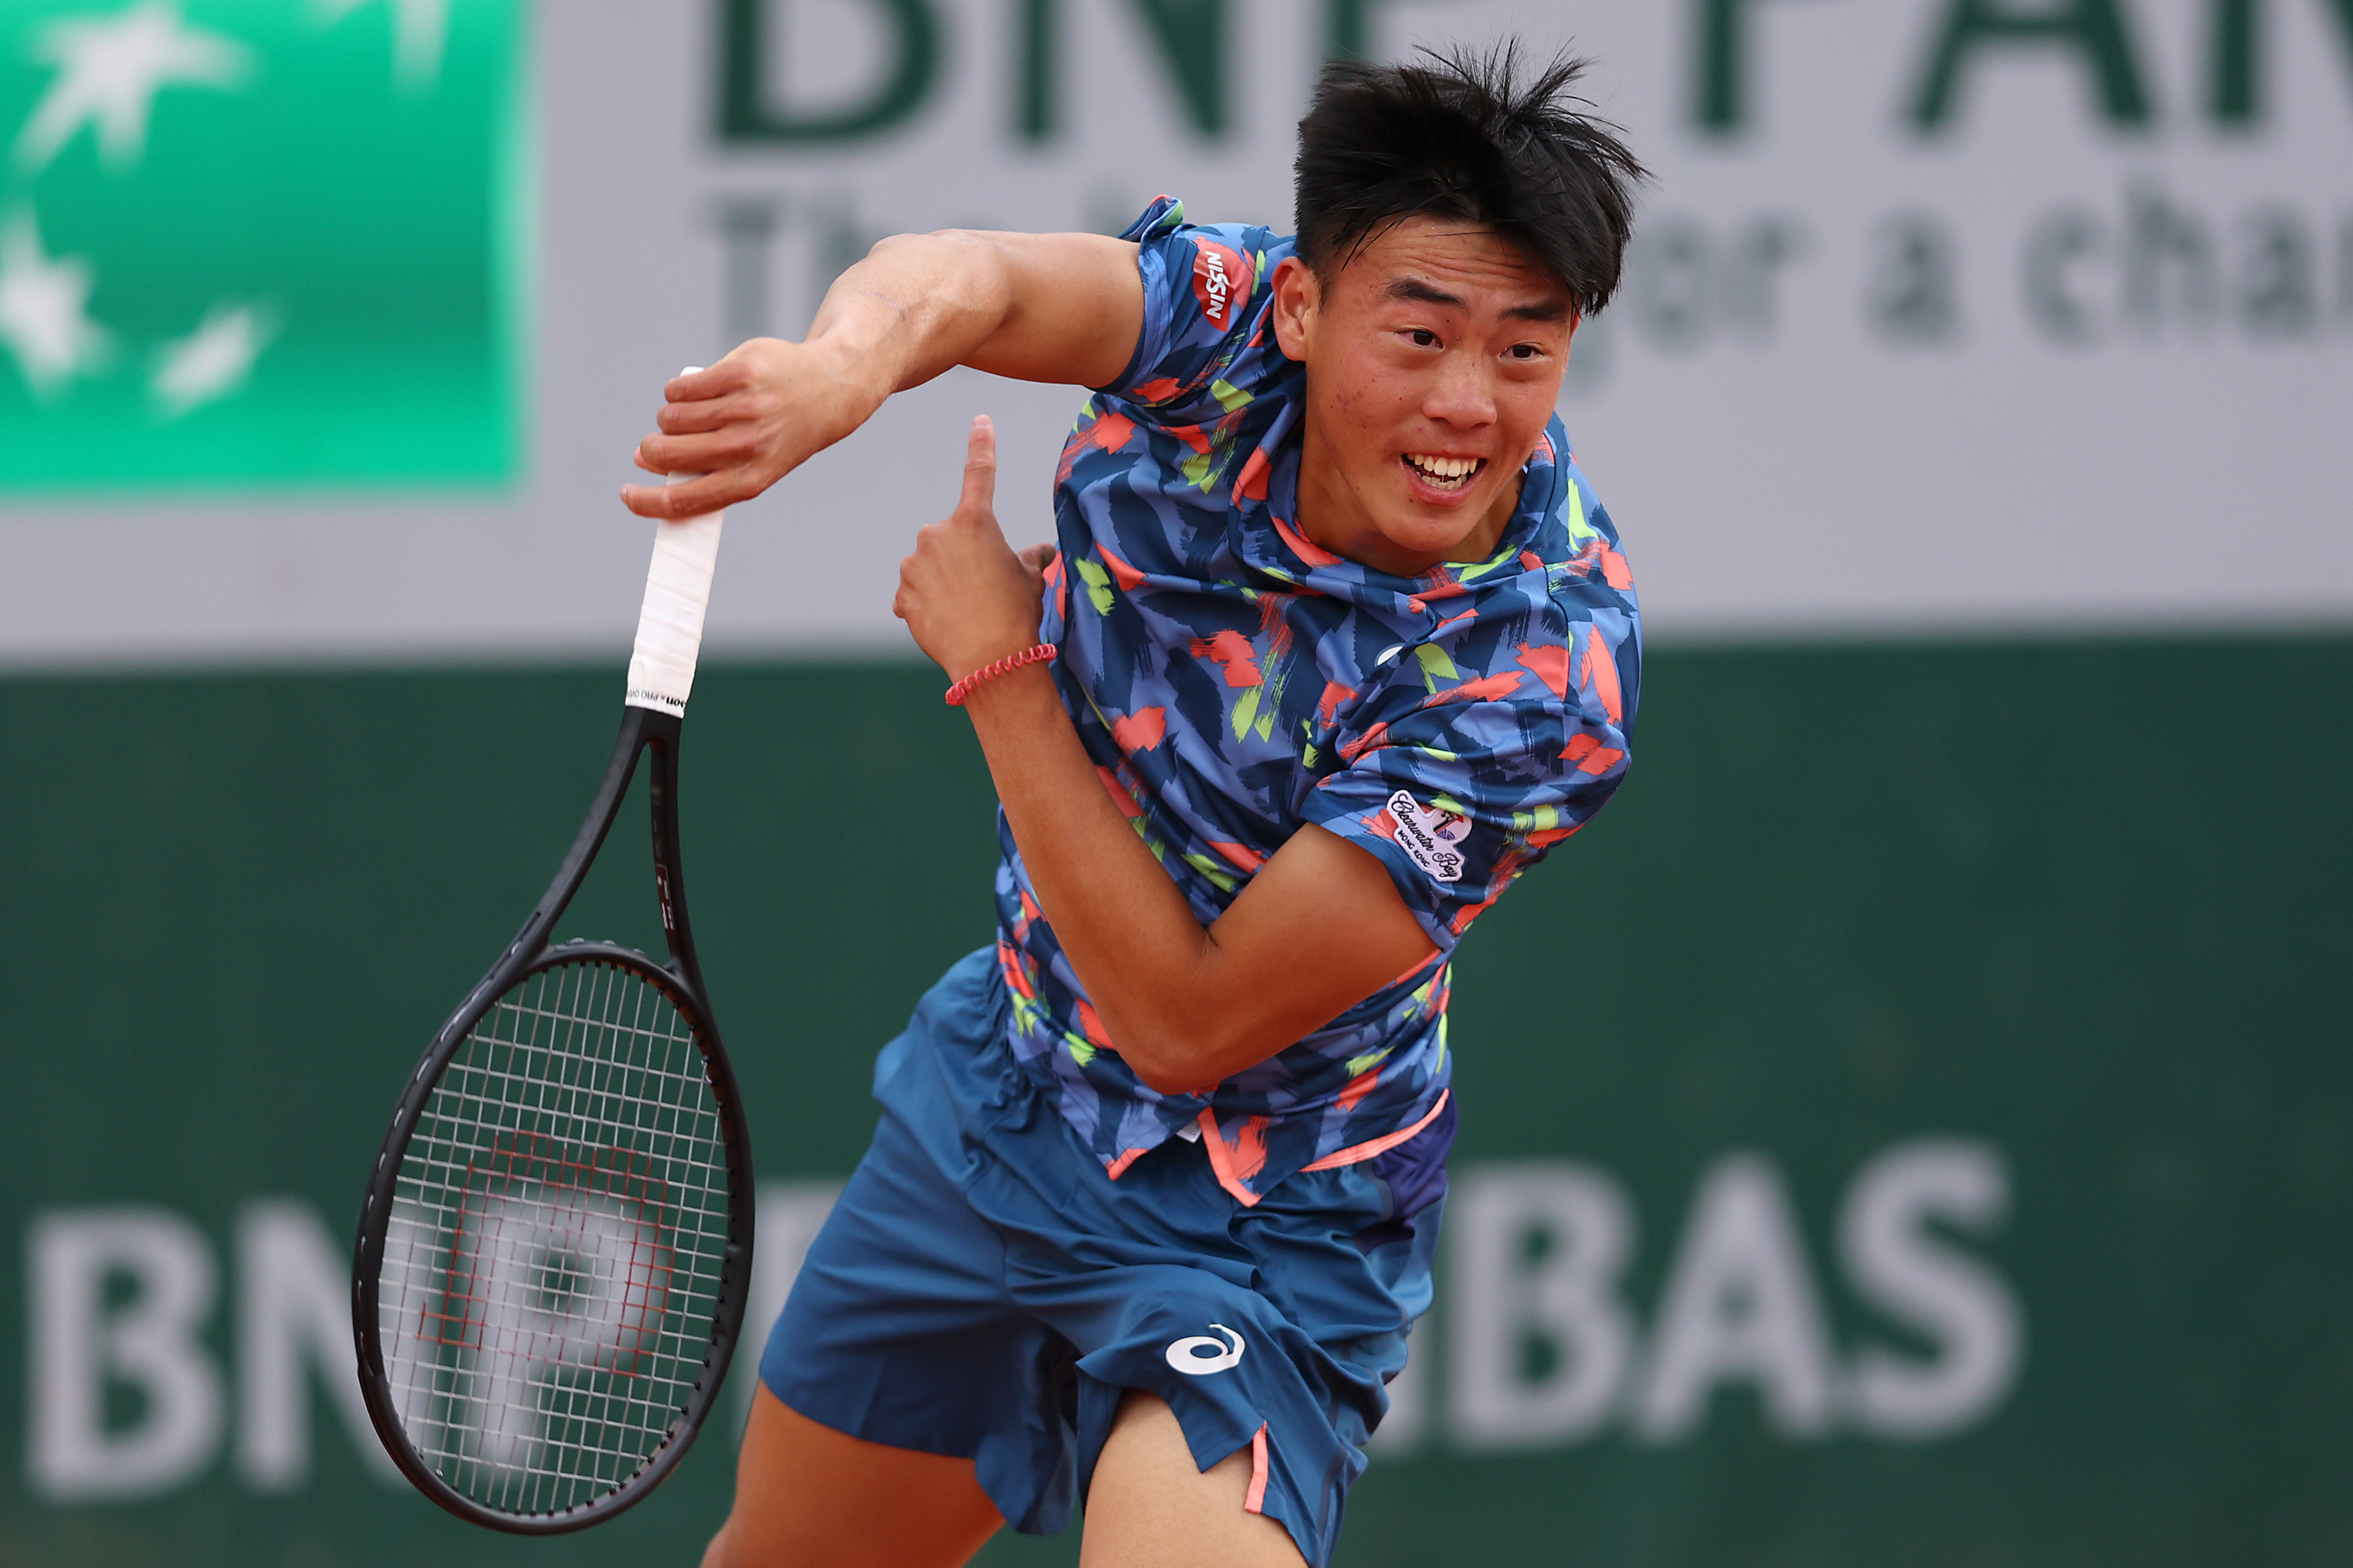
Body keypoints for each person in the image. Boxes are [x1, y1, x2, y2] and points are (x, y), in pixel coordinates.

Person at [625, 45, 1643, 1568]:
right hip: (1007, 1099)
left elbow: (1189, 1020)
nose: (1463, 403)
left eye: (1523, 351)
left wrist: (1001, 667)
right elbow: (964, 276)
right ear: (1303, 309)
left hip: (1267, 1219)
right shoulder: (1221, 327)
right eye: (1418, 333)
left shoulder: (1539, 675)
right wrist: (841, 372)